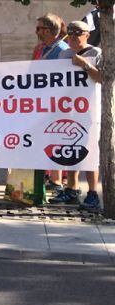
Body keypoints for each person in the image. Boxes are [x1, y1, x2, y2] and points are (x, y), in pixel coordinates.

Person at [53, 20, 103, 208]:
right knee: (71, 149)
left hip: (89, 111)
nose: (73, 36)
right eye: (70, 32)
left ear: (87, 35)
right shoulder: (64, 53)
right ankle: (71, 189)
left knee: (89, 152)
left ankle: (92, 193)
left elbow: (102, 78)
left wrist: (85, 66)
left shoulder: (95, 53)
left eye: (78, 32)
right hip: (68, 110)